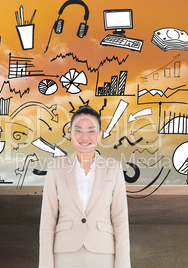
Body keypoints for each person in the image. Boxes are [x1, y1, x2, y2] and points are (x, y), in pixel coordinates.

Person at [39, 105, 131, 268]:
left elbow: (120, 220)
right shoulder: (56, 168)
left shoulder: (113, 168)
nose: (84, 136)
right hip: (64, 252)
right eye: (78, 130)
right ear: (71, 134)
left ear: (100, 134)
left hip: (103, 252)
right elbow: (47, 220)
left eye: (91, 130)